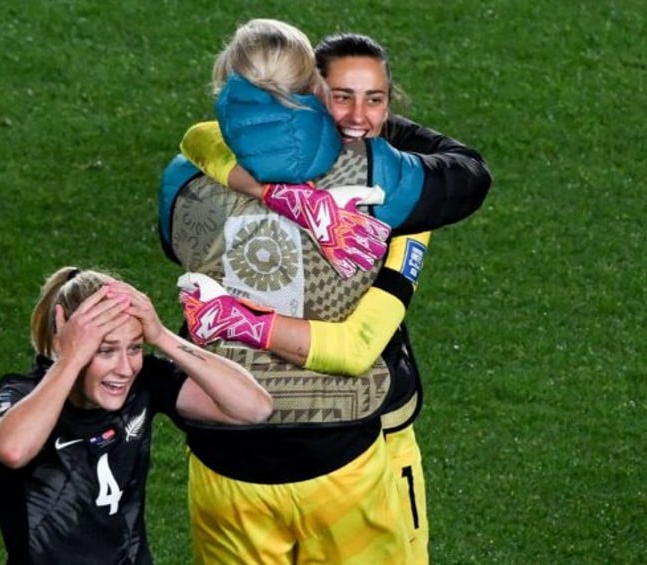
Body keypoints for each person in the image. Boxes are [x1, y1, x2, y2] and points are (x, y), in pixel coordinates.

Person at [165, 25, 492, 563]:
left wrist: (274, 194)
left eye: (374, 99)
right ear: (312, 93)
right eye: (342, 97)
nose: (358, 115)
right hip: (342, 446)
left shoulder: (185, 180)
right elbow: (470, 174)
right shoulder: (387, 187)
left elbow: (197, 139)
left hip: (223, 448)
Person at [0, 267, 273, 564]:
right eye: (106, 351)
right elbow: (12, 449)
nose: (125, 369)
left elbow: (254, 407)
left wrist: (161, 336)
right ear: (66, 342)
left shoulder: (145, 383)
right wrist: (70, 359)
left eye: (134, 347)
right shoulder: (17, 394)